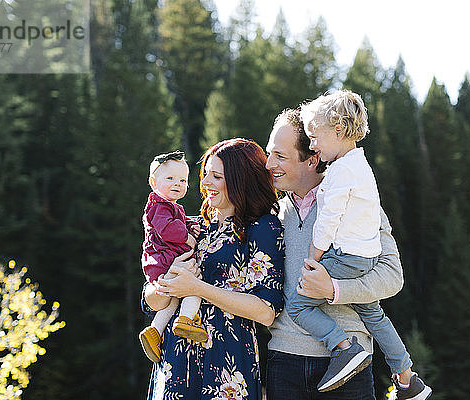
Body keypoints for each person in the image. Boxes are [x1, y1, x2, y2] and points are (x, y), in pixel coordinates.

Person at [282, 91, 430, 398]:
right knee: (374, 315)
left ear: (337, 131)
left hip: (345, 258)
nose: (313, 145)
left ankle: (344, 348)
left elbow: (327, 222)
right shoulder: (359, 165)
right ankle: (406, 377)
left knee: (298, 305)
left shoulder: (340, 173)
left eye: (315, 136)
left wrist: (314, 259)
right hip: (364, 258)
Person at [142, 138, 285, 400]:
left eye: (216, 176)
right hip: (175, 361)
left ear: (241, 180)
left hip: (226, 361)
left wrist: (198, 288)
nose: (205, 183)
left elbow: (266, 312)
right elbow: (150, 301)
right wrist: (169, 278)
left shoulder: (263, 229)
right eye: (205, 174)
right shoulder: (192, 228)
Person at [139, 151, 207, 364]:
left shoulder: (170, 206)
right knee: (194, 286)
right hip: (164, 260)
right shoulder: (158, 206)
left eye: (183, 180)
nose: (177, 184)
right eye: (169, 178)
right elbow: (167, 228)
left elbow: (177, 220)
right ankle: (186, 320)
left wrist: (189, 225)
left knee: (172, 298)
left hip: (162, 262)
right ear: (153, 182)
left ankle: (155, 332)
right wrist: (187, 237)